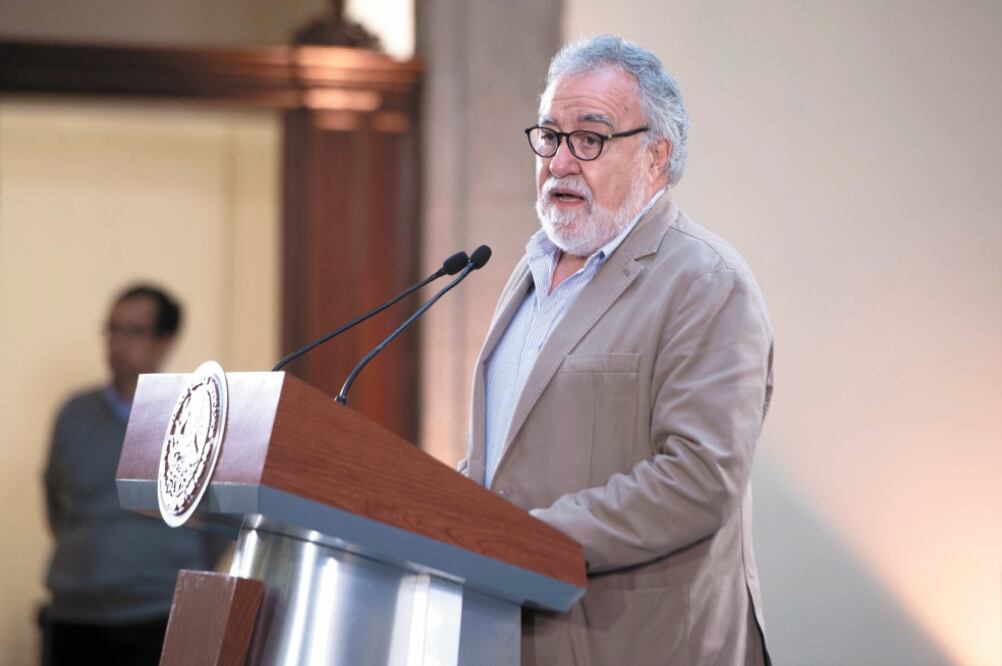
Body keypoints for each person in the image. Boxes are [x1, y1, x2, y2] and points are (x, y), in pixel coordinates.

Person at [460, 35, 773, 664]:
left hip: (641, 643)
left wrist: (523, 540)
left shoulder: (706, 282)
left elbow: (699, 479)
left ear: (656, 156)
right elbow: (501, 461)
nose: (560, 161)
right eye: (550, 136)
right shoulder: (527, 273)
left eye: (590, 138)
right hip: (512, 637)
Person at [42, 285, 225, 666]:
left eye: (134, 331)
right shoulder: (74, 413)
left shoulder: (197, 417)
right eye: (113, 329)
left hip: (161, 614)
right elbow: (56, 501)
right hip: (74, 614)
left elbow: (221, 519)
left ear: (165, 341)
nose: (118, 343)